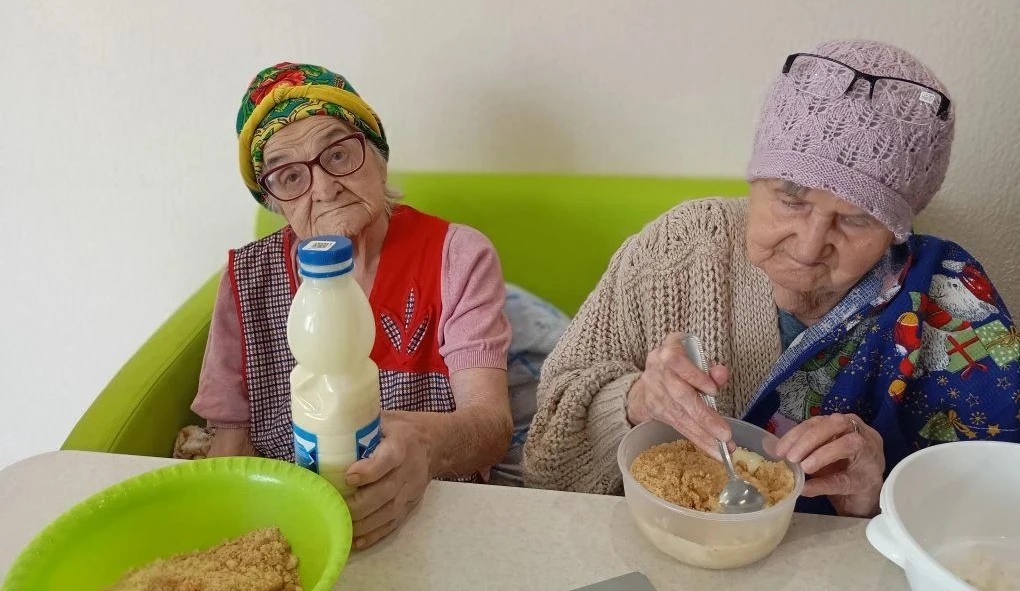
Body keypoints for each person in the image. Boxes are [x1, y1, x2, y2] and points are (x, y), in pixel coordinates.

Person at [523, 40, 1019, 517]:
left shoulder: (944, 302)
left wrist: (876, 497)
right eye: (791, 198)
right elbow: (544, 459)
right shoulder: (678, 250)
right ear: (754, 180)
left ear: (896, 233)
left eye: (856, 220)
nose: (809, 245)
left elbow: (992, 521)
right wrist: (636, 402)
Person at [191, 62, 513, 548]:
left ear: (378, 156)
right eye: (290, 176)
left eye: (338, 154)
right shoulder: (246, 279)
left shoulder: (457, 256)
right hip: (296, 525)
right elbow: (230, 444)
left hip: (433, 516)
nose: (324, 188)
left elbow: (491, 426)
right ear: (274, 201)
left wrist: (427, 446)